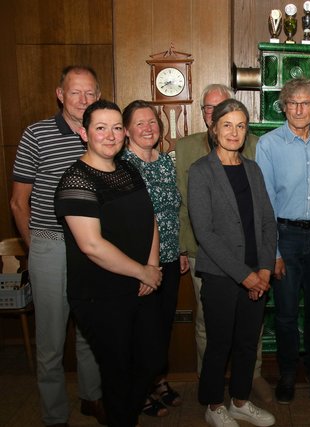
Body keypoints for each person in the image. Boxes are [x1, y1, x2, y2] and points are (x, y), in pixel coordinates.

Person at [54, 99, 164, 427]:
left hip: (141, 283)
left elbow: (151, 218)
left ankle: (125, 416)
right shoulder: (75, 182)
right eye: (100, 128)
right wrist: (142, 270)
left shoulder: (128, 169)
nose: (110, 135)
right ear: (84, 133)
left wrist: (153, 267)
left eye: (117, 127)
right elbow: (92, 245)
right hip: (99, 294)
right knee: (118, 373)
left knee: (153, 358)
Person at [10, 65, 106, 427]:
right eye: (75, 92)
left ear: (98, 95)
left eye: (90, 93)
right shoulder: (36, 134)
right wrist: (37, 247)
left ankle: (91, 398)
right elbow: (19, 202)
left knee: (89, 330)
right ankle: (54, 415)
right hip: (51, 245)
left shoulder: (102, 133)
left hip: (93, 247)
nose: (83, 100)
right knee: (50, 339)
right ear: (60, 94)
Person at [174, 84, 272, 402]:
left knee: (246, 342)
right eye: (227, 125)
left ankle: (241, 401)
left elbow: (268, 223)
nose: (234, 132)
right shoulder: (202, 171)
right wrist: (246, 276)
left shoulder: (253, 169)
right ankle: (213, 404)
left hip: (258, 271)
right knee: (219, 344)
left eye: (240, 126)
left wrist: (265, 271)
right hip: (220, 275)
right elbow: (204, 233)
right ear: (214, 129)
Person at [256, 77, 310, 404]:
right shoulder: (269, 145)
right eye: (293, 103)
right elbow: (265, 204)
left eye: (306, 103)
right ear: (284, 107)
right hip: (285, 236)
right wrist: (273, 251)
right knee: (287, 312)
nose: (299, 109)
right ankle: (288, 372)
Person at [121, 100, 185, 416]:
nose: (148, 128)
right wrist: (143, 267)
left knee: (162, 326)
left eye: (152, 122)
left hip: (171, 258)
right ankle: (140, 387)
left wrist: (181, 250)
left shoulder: (166, 162)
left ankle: (157, 381)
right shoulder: (122, 165)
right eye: (140, 123)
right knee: (141, 330)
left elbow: (176, 209)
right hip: (141, 264)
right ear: (127, 130)